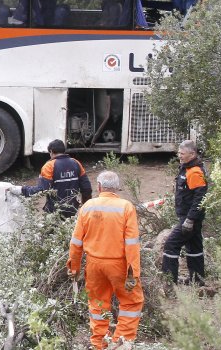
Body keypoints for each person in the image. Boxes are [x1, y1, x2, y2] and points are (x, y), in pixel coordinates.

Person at [68, 171, 143, 350]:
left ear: (99, 187)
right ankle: (119, 343)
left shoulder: (87, 207)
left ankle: (99, 344)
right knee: (131, 302)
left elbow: (76, 241)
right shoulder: (126, 207)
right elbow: (132, 243)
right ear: (117, 188)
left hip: (94, 265)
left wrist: (74, 267)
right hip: (119, 264)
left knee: (97, 304)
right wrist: (133, 273)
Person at [162, 140, 208, 284]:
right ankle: (197, 280)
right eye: (179, 153)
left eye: (182, 153)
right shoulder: (187, 167)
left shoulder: (194, 171)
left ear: (192, 154)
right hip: (189, 217)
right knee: (194, 247)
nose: (179, 155)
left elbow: (200, 198)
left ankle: (169, 282)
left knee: (171, 245)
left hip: (189, 218)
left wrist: (190, 219)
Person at [8, 139, 92, 218]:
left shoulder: (49, 166)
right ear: (64, 151)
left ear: (51, 151)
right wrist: (85, 207)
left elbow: (41, 190)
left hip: (54, 211)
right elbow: (87, 188)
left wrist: (22, 190)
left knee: (50, 232)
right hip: (72, 209)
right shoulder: (76, 163)